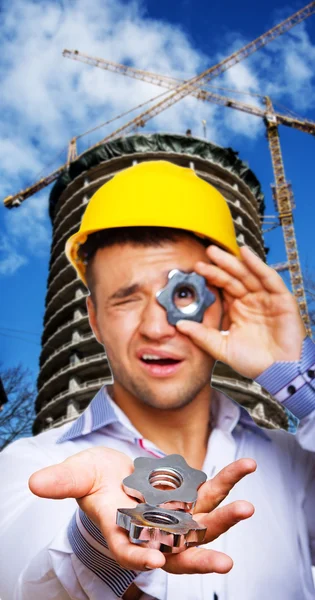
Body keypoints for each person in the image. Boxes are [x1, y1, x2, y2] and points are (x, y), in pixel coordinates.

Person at [0, 160, 314, 600]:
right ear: (94, 320)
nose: (155, 327)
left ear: (224, 304)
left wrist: (299, 377)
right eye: (125, 301)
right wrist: (98, 546)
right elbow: (18, 583)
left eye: (182, 294)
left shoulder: (296, 466)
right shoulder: (28, 465)